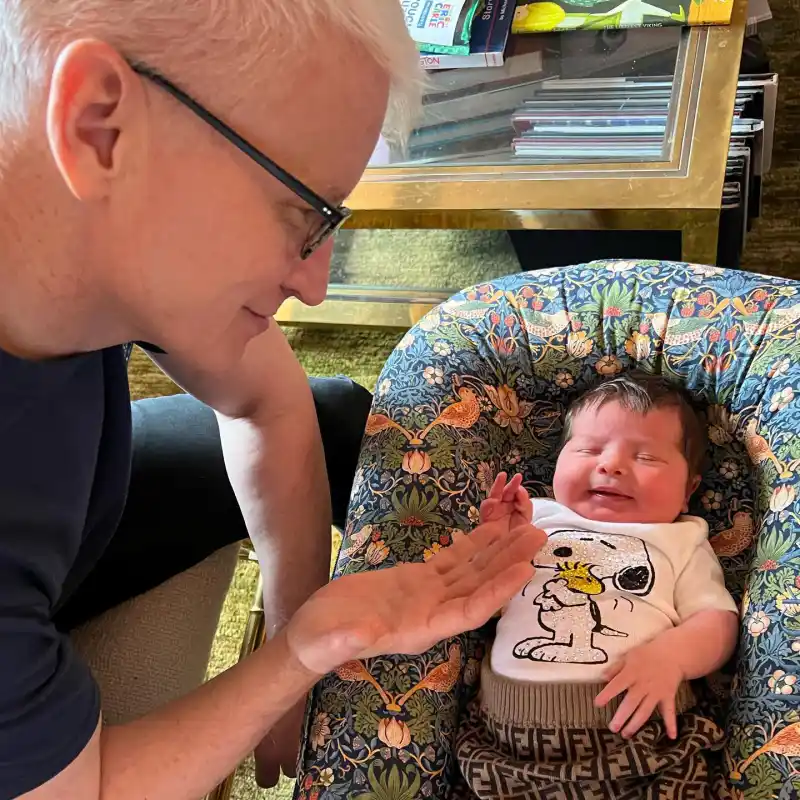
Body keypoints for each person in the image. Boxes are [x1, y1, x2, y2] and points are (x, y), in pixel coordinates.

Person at [0, 2, 550, 798]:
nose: (317, 286)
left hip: (66, 519)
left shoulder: (61, 213)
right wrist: (295, 662)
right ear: (98, 125)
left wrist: (294, 614)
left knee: (331, 413)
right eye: (303, 214)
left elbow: (271, 402)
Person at [457, 373, 740, 799]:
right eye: (589, 449)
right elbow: (477, 604)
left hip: (635, 736)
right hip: (504, 741)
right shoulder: (537, 522)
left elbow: (717, 621)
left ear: (688, 490)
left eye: (646, 457)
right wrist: (496, 543)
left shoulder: (679, 540)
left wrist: (673, 657)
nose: (610, 465)